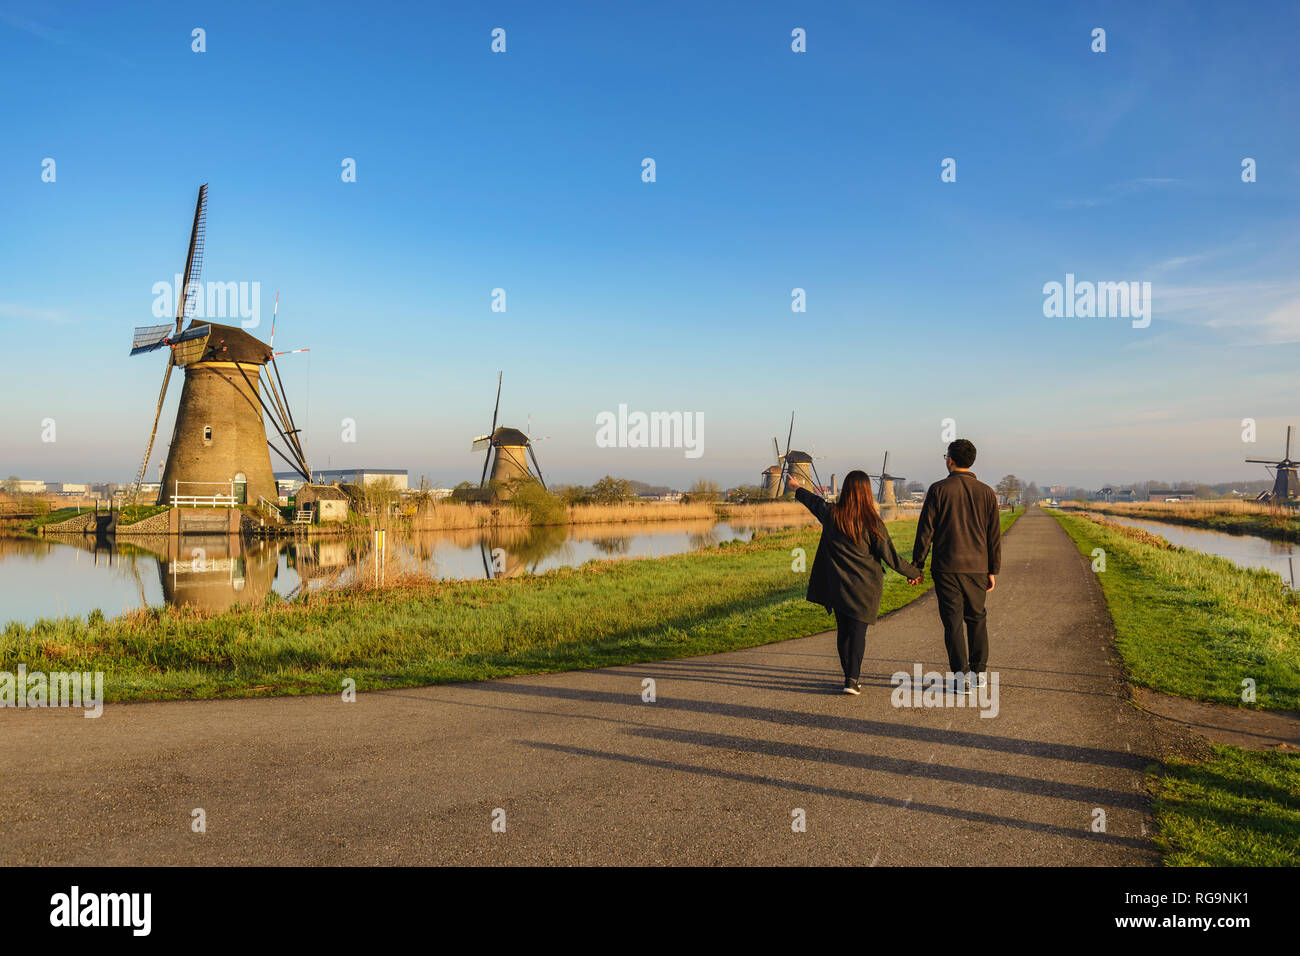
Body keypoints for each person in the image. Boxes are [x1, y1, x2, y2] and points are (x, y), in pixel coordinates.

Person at [789, 470, 920, 695]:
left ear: (846, 490)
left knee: (843, 632)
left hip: (837, 586)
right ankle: (852, 678)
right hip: (865, 588)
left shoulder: (832, 514)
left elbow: (814, 502)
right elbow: (891, 556)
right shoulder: (873, 523)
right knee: (858, 633)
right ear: (867, 492)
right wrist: (913, 572)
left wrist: (796, 488)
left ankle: (848, 676)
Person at [911, 438, 1001, 694]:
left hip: (946, 566)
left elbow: (925, 531)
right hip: (977, 566)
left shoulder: (938, 489)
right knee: (977, 618)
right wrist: (993, 569)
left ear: (950, 460)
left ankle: (960, 677)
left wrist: (918, 564)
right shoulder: (987, 492)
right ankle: (979, 673)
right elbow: (993, 535)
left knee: (952, 622)